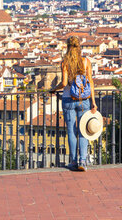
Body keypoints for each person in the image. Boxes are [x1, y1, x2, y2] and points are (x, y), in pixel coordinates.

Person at [50, 36, 97, 171]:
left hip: (68, 99)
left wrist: (53, 89)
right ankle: (83, 160)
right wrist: (93, 102)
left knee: (71, 130)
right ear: (79, 47)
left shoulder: (65, 62)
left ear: (68, 47)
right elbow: (90, 82)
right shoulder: (86, 61)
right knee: (84, 129)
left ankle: (73, 161)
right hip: (84, 100)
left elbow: (64, 83)